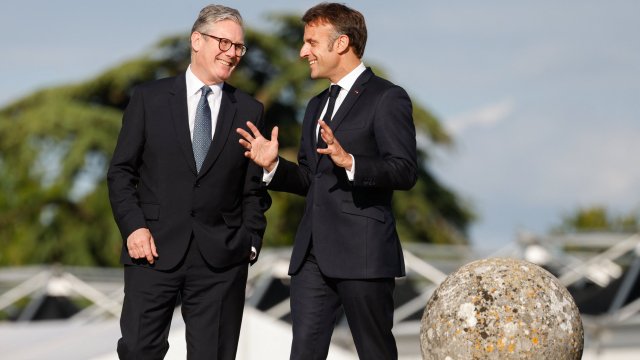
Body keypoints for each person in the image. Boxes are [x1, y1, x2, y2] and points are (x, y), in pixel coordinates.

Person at [236, 3, 417, 359]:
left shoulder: (387, 97)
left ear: (341, 43)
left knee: (375, 352)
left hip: (364, 254)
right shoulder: (315, 105)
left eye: (311, 42)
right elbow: (310, 178)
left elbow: (404, 170)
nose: (303, 52)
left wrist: (350, 161)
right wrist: (273, 166)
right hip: (312, 257)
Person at [107, 4, 270, 360]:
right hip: (151, 250)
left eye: (239, 47)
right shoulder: (148, 98)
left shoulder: (249, 109)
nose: (232, 54)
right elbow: (121, 171)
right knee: (137, 350)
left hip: (222, 259)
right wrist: (134, 227)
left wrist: (250, 242)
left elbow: (254, 189)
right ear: (196, 40)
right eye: (224, 43)